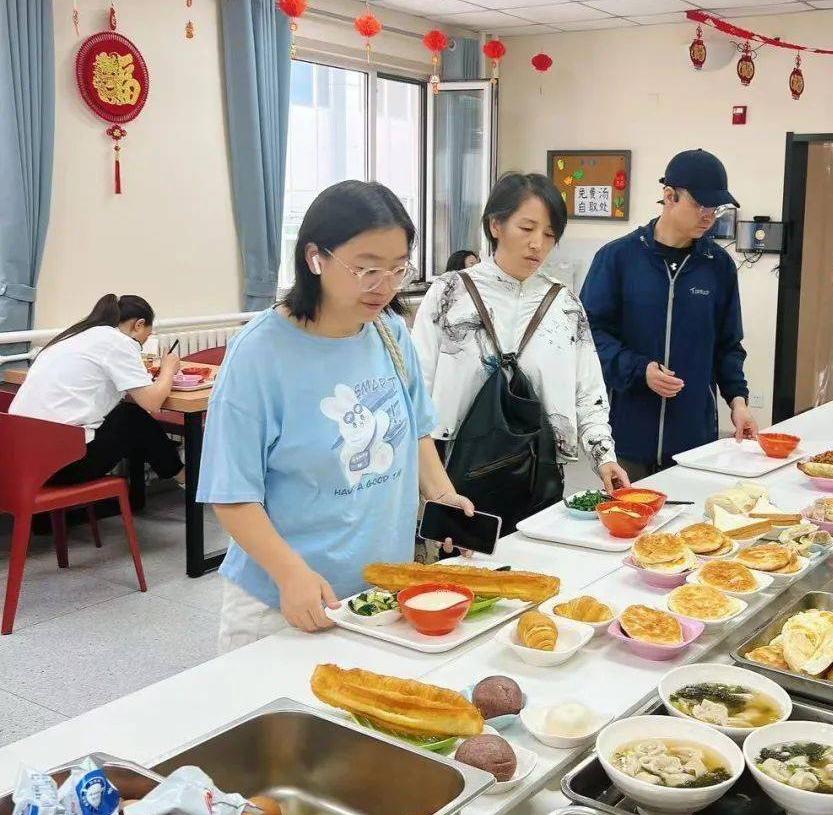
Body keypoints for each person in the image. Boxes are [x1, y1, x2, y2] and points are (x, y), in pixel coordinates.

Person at [197, 181, 472, 652]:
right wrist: (290, 573)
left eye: (397, 269)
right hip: (287, 598)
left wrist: (443, 498)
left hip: (381, 589)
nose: (384, 286)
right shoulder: (261, 353)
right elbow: (231, 495)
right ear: (315, 258)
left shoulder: (389, 333)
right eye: (365, 269)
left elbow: (416, 432)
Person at [413, 172, 628, 523]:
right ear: (495, 224)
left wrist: (604, 457)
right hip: (454, 472)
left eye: (549, 234)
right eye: (526, 229)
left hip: (538, 476)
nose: (537, 244)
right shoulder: (449, 293)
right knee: (461, 573)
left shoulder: (565, 305)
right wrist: (427, 484)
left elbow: (588, 393)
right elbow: (416, 389)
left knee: (535, 572)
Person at [581, 149, 757, 482]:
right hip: (628, 435)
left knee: (690, 529)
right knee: (627, 526)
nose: (709, 216)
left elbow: (728, 344)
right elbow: (589, 335)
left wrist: (738, 400)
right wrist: (639, 369)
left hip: (693, 437)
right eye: (700, 205)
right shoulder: (618, 258)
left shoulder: (718, 267)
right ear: (669, 197)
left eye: (715, 209)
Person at [9, 294, 184, 486]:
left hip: (18, 458)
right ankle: (183, 477)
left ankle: (171, 476)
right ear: (139, 325)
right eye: (146, 337)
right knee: (133, 417)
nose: (141, 344)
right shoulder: (119, 342)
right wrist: (168, 368)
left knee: (127, 416)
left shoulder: (73, 336)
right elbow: (152, 403)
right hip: (59, 466)